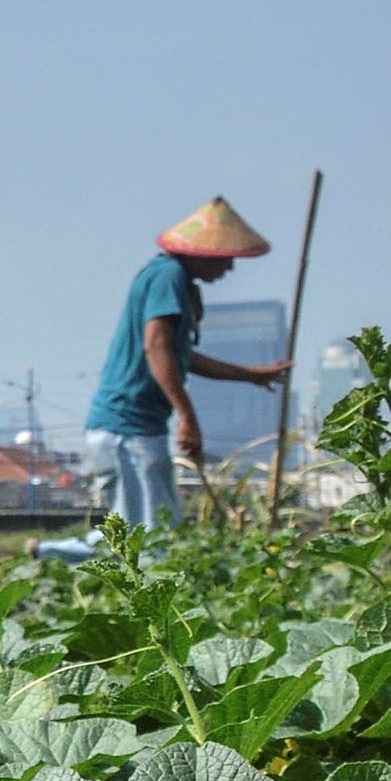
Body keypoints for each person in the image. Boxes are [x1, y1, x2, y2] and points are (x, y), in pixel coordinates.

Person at [70, 196, 293, 533]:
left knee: (140, 532)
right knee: (149, 535)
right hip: (126, 429)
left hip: (136, 427)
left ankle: (49, 555)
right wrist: (187, 417)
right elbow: (157, 347)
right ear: (203, 253)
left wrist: (251, 376)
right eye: (225, 257)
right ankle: (53, 559)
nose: (229, 267)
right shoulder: (167, 275)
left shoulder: (178, 283)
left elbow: (181, 356)